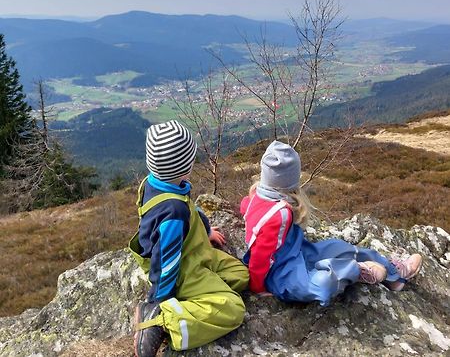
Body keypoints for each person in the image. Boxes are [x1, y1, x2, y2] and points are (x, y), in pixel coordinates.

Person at [240, 140, 422, 305]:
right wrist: (258, 288)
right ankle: (356, 271)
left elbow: (246, 209)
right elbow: (259, 258)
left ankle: (395, 275)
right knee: (320, 284)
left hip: (297, 250)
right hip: (279, 273)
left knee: (338, 246)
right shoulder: (279, 214)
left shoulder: (256, 196)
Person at [129, 120, 249, 357]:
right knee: (234, 309)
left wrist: (204, 231)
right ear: (185, 165)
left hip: (194, 252)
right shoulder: (173, 211)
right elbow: (166, 262)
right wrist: (158, 299)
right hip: (182, 268)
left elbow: (191, 207)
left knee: (241, 275)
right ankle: (161, 319)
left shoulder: (161, 183)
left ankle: (200, 296)